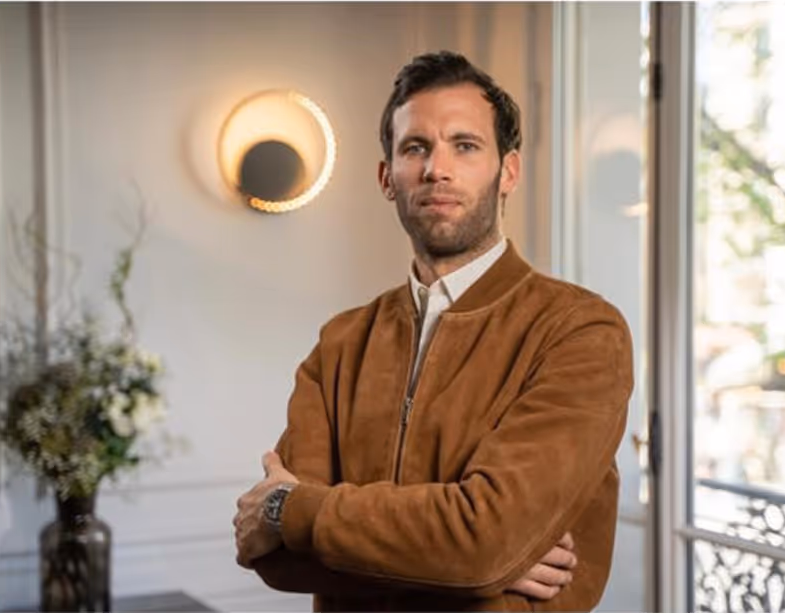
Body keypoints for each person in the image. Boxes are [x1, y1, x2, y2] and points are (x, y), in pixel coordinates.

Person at [233, 50, 633, 612]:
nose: (436, 169)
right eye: (415, 147)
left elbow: (483, 544)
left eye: (464, 146)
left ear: (508, 171)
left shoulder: (581, 331)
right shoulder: (340, 343)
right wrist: (472, 565)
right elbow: (276, 559)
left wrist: (286, 511)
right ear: (387, 178)